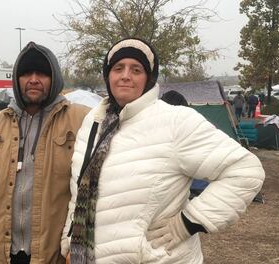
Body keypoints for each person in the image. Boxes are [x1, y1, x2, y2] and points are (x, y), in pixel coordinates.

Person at [61, 38, 265, 263]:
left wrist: (189, 222)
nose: (125, 75)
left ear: (149, 78)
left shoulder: (175, 121)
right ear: (108, 75)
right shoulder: (94, 120)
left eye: (136, 69)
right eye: (118, 68)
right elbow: (79, 189)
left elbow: (245, 170)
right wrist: (70, 241)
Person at [0, 41, 89, 264]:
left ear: (54, 78)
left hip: (56, 255)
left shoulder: (82, 121)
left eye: (42, 74)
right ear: (17, 79)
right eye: (27, 73)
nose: (34, 79)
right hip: (3, 253)